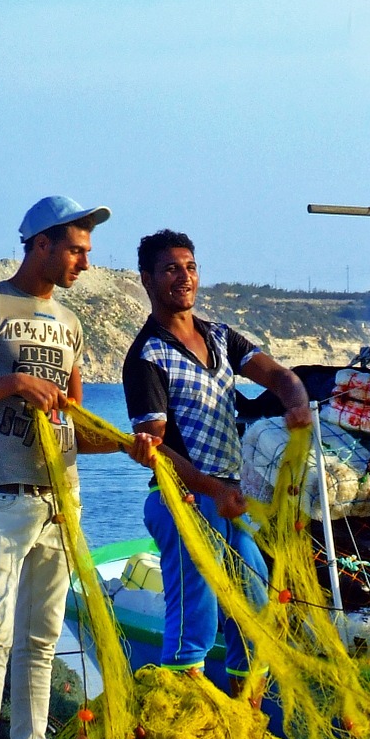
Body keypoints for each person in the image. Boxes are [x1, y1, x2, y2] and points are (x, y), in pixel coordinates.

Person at [0, 196, 116, 739]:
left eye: (87, 253)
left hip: (60, 502)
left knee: (42, 641)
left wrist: (131, 443)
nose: (83, 263)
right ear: (40, 244)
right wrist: (13, 382)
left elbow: (74, 422)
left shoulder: (71, 324)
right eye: (75, 250)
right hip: (0, 497)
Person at [123, 229, 311, 694]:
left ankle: (247, 717)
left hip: (227, 497)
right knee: (196, 614)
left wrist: (296, 399)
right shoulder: (148, 355)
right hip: (182, 499)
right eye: (170, 269)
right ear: (147, 280)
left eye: (189, 267)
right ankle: (184, 723)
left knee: (254, 603)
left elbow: (277, 375)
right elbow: (155, 448)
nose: (183, 277)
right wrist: (213, 489)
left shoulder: (221, 337)